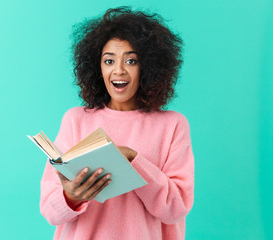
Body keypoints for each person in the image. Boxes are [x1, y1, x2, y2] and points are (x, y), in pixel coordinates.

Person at [40, 7, 194, 240]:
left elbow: (176, 209)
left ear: (148, 67)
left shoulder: (173, 125)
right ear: (97, 67)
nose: (118, 70)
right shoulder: (76, 119)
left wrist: (133, 159)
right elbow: (50, 211)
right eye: (109, 60)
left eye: (131, 60)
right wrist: (71, 197)